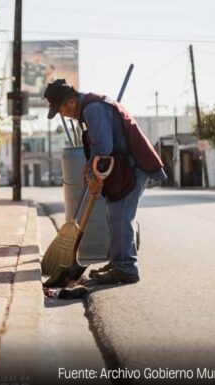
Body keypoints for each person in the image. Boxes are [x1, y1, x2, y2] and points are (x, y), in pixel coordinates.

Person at [43, 79, 167, 287]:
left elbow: (103, 147)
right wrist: (88, 164)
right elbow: (98, 148)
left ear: (70, 102)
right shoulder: (88, 108)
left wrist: (92, 175)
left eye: (61, 110)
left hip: (132, 167)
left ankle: (127, 268)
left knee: (120, 217)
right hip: (122, 167)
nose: (63, 115)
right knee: (113, 215)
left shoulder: (92, 109)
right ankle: (118, 261)